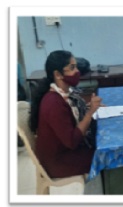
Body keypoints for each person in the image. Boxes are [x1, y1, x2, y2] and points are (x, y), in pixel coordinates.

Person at [29, 50, 102, 178]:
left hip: (63, 152)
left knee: (100, 144)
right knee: (105, 156)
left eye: (76, 67)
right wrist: (90, 113)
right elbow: (72, 141)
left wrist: (90, 106)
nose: (77, 72)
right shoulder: (53, 103)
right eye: (72, 68)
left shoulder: (61, 94)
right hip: (58, 163)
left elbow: (71, 114)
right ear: (58, 74)